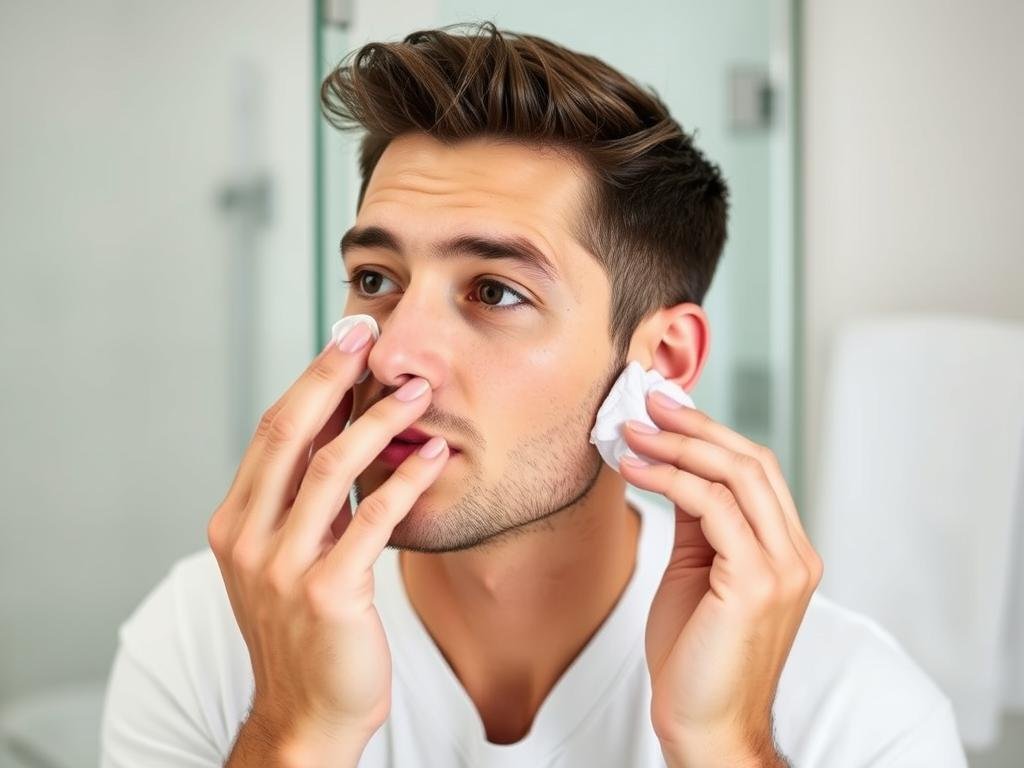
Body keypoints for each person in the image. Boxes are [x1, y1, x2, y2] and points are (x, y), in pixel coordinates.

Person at [100, 22, 968, 767]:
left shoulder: (855, 707)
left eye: (494, 292)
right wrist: (296, 732)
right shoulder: (210, 634)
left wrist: (724, 747)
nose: (394, 352)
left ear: (661, 358)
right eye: (374, 277)